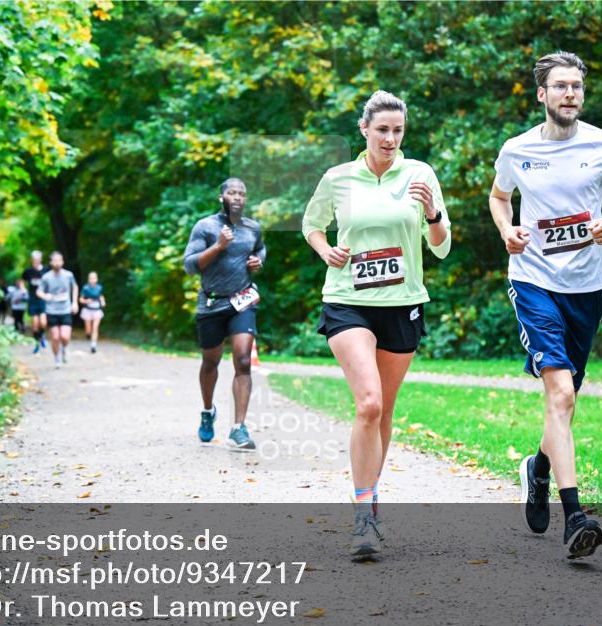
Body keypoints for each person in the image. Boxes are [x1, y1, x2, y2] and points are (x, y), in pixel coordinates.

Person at [489, 52, 602, 560]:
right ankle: (575, 515)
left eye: (577, 86)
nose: (570, 94)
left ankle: (538, 468)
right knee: (560, 393)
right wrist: (507, 229)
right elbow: (498, 196)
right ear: (542, 94)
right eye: (560, 87)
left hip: (586, 286)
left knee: (565, 399)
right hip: (533, 281)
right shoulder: (517, 149)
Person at [302, 90, 450, 559]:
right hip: (348, 300)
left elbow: (441, 245)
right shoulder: (338, 177)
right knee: (367, 403)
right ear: (364, 130)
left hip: (402, 302)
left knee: (384, 410)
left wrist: (433, 213)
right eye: (382, 129)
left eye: (397, 130)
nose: (390, 138)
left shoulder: (420, 174)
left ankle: (369, 492)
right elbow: (312, 224)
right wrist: (325, 251)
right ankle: (363, 514)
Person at [183, 177, 266, 451]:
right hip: (211, 303)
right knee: (211, 362)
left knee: (242, 360)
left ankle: (238, 428)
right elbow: (190, 266)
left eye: (242, 193)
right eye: (232, 192)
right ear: (222, 197)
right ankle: (208, 411)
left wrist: (258, 261)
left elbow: (259, 249)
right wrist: (218, 246)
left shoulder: (253, 227)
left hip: (241, 302)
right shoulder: (206, 227)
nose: (238, 197)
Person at [35, 251, 79, 369]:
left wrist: (75, 302)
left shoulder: (68, 275)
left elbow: (75, 287)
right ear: (50, 262)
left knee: (64, 336)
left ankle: (64, 348)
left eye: (59, 260)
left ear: (63, 262)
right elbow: (39, 291)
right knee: (55, 337)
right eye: (55, 260)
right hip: (52, 310)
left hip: (65, 309)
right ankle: (57, 358)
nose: (57, 263)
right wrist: (45, 296)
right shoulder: (46, 277)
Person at [22, 251, 48, 354]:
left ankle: (42, 336)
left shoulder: (46, 270)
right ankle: (37, 343)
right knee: (35, 323)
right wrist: (23, 289)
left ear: (41, 259)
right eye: (34, 258)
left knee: (43, 322)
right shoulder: (28, 271)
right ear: (32, 259)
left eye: (38, 258)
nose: (36, 260)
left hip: (43, 299)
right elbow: (22, 281)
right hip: (33, 299)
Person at [79, 271, 106, 353]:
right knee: (88, 329)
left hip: (97, 309)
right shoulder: (85, 288)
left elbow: (101, 296)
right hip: (87, 309)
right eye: (91, 278)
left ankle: (93, 345)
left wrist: (103, 301)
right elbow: (81, 299)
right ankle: (88, 334)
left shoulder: (99, 287)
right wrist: (86, 301)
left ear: (96, 279)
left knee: (95, 328)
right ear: (88, 279)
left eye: (94, 278)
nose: (92, 279)